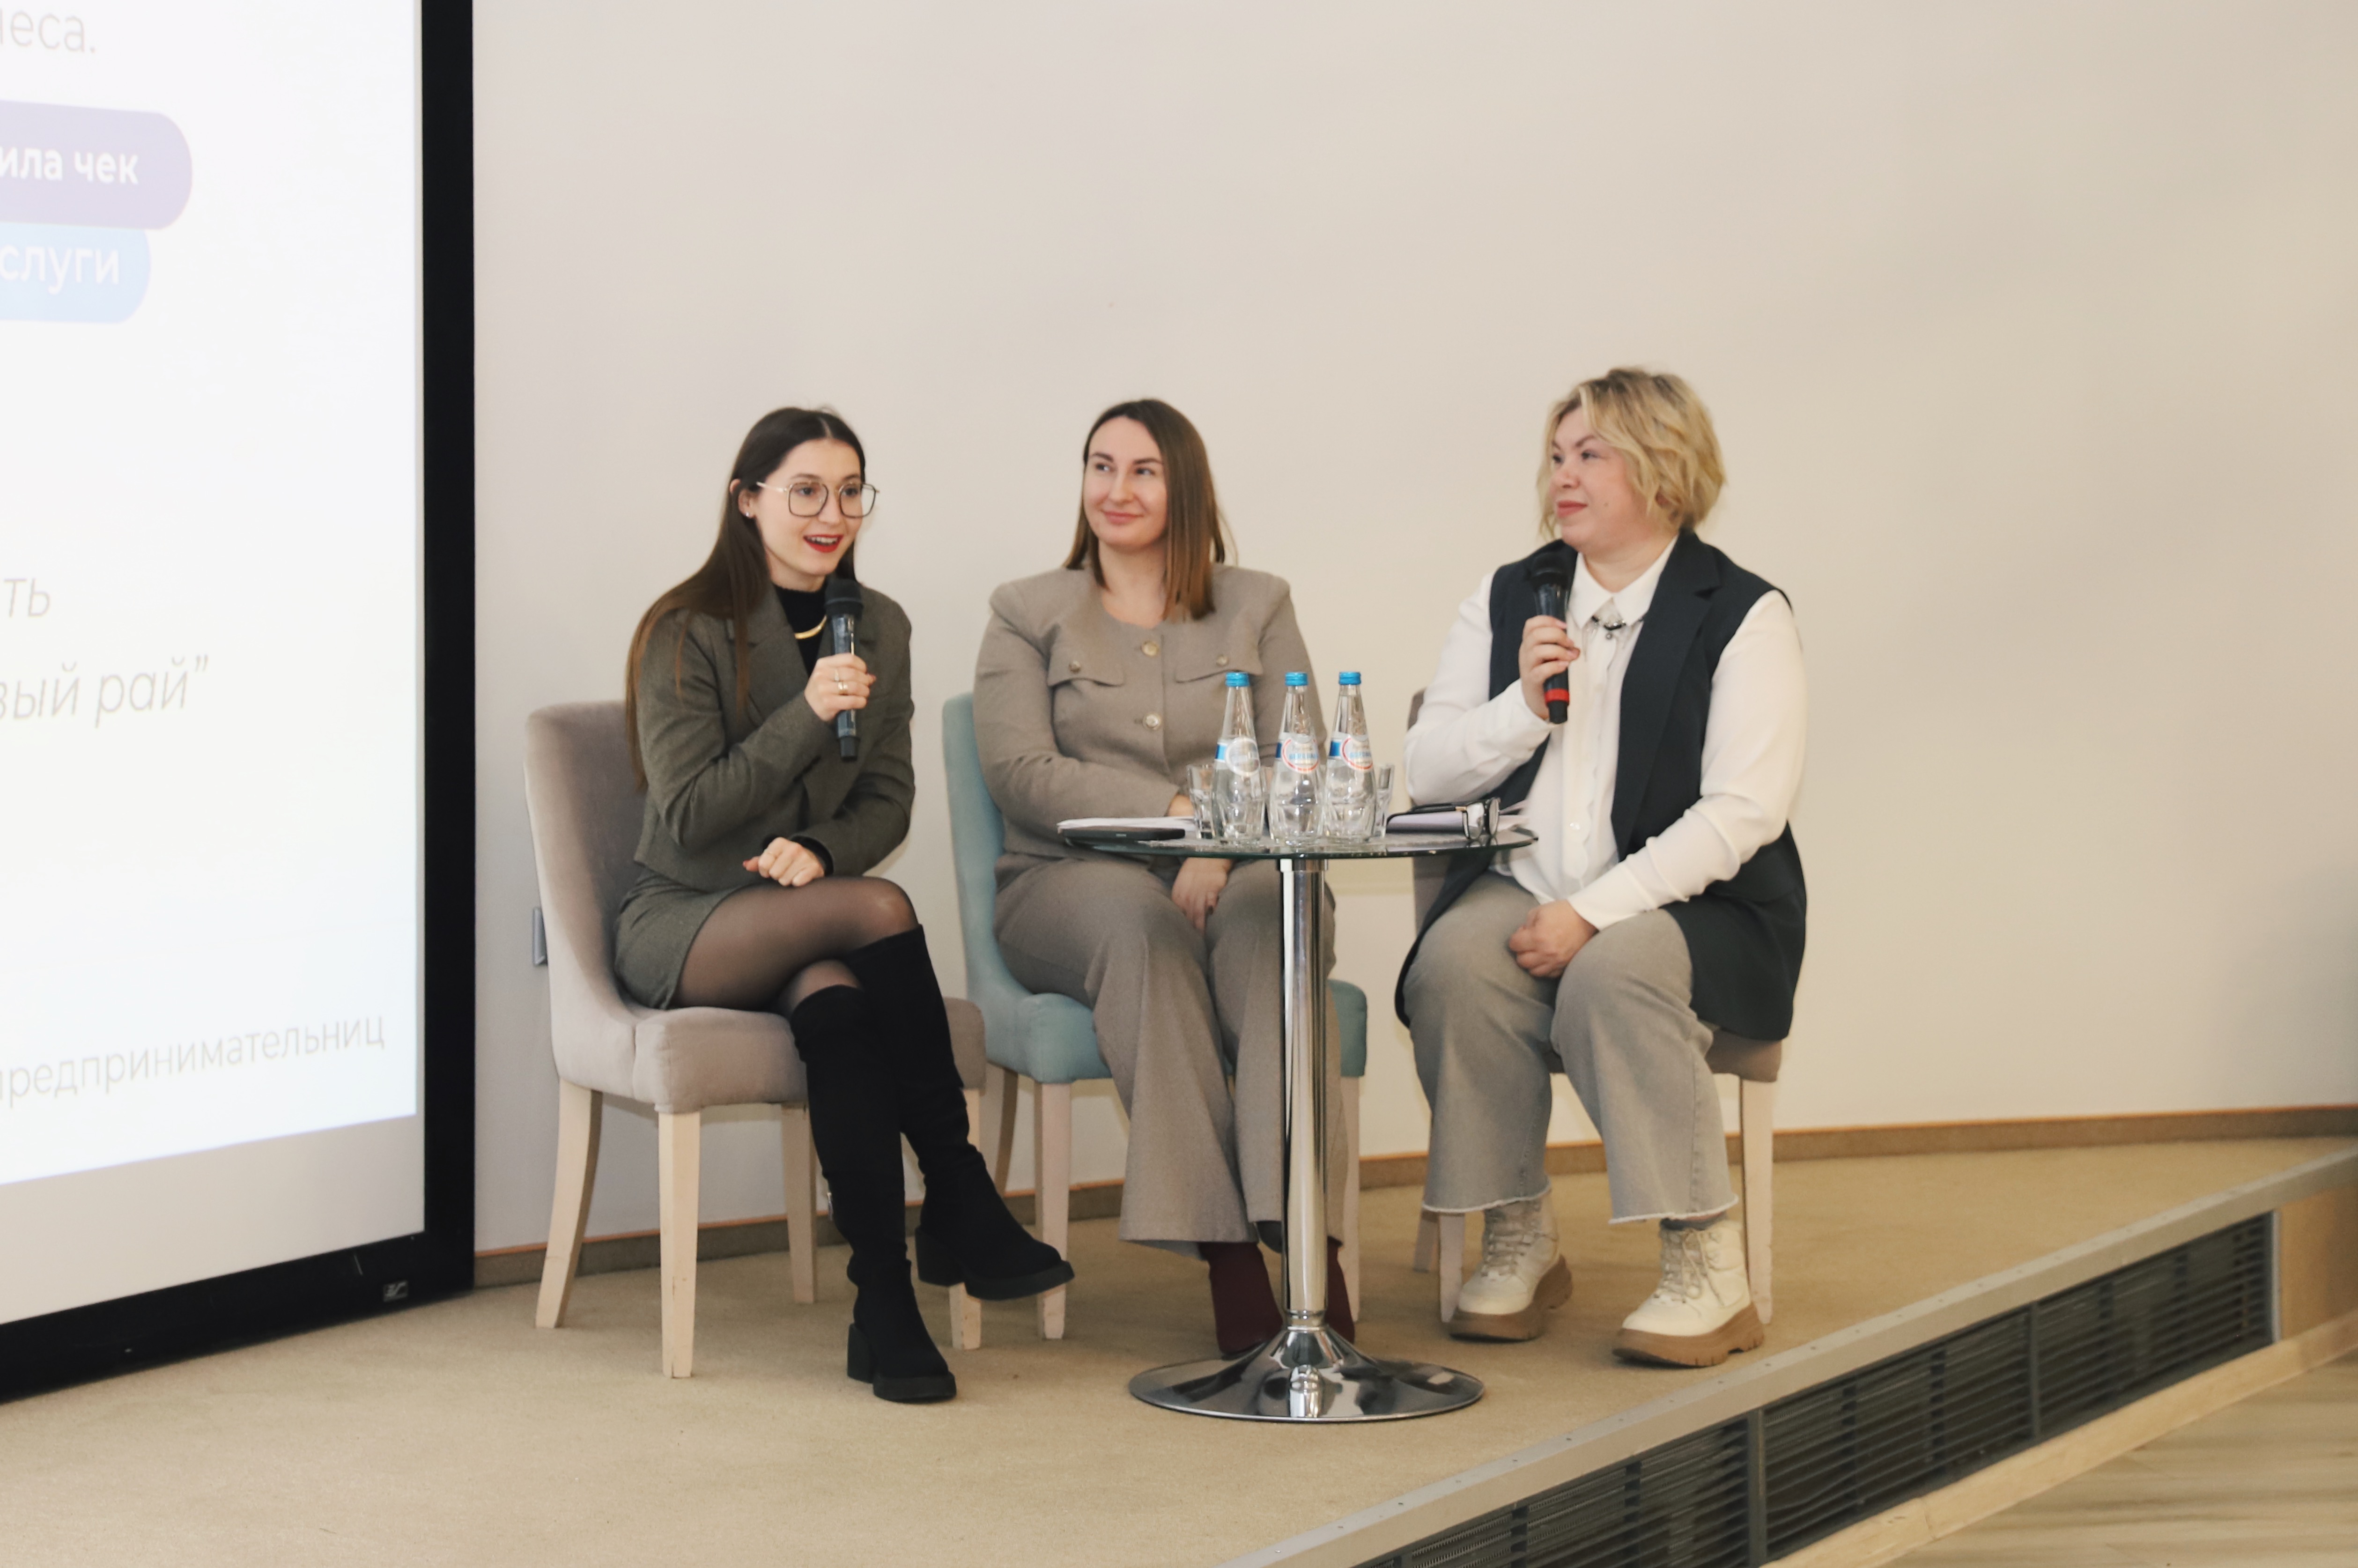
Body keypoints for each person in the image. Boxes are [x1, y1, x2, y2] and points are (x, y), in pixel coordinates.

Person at [616, 407, 1070, 1405]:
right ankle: (955, 1191)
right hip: (688, 919)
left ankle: (885, 1306)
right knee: (881, 913)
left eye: (851, 490)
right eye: (806, 492)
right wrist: (807, 712)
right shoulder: (684, 630)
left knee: (841, 1011)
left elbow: (888, 799)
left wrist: (822, 850)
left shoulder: (881, 626)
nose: (833, 514)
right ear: (748, 502)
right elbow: (690, 816)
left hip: (807, 915)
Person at [1400, 369, 1806, 1367]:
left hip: (1696, 905)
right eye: (1556, 456)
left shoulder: (1742, 613)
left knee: (1615, 974)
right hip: (1527, 884)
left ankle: (1707, 1263)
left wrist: (1593, 913)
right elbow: (1425, 768)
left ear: (1664, 473)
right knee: (1455, 965)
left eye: (1591, 456)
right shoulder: (1508, 597)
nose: (1562, 478)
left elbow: (1741, 813)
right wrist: (1523, 709)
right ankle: (1519, 1235)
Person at [973, 398, 1355, 1355]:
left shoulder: (1256, 602)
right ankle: (1228, 1253)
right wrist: (1181, 823)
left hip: (1242, 866)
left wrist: (1224, 849)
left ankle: (1304, 1238)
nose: (1116, 490)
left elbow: (1294, 755)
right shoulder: (1026, 612)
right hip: (1065, 883)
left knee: (1280, 923)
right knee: (1140, 936)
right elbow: (1020, 775)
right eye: (1100, 467)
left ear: (1185, 486)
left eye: (1142, 471)